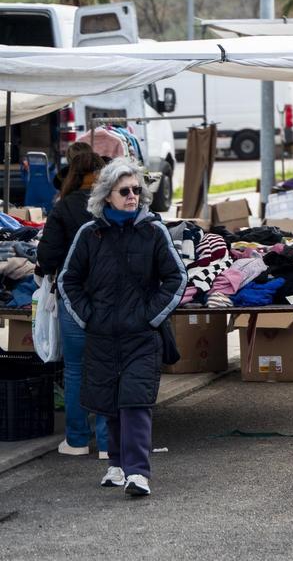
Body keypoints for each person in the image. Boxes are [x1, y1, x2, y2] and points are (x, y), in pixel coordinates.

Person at [59, 159, 186, 498]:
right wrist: (89, 316)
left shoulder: (153, 230)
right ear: (107, 196)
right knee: (109, 402)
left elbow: (177, 277)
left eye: (137, 190)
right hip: (102, 334)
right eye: (125, 191)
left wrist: (150, 316)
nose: (133, 196)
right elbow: (67, 279)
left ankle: (138, 472)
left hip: (142, 336)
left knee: (135, 402)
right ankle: (116, 464)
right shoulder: (89, 234)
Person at [37, 148, 109, 459]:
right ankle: (108, 444)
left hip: (73, 297)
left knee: (76, 369)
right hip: (111, 298)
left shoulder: (64, 207)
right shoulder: (114, 204)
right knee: (108, 367)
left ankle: (77, 440)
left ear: (72, 176)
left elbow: (46, 257)